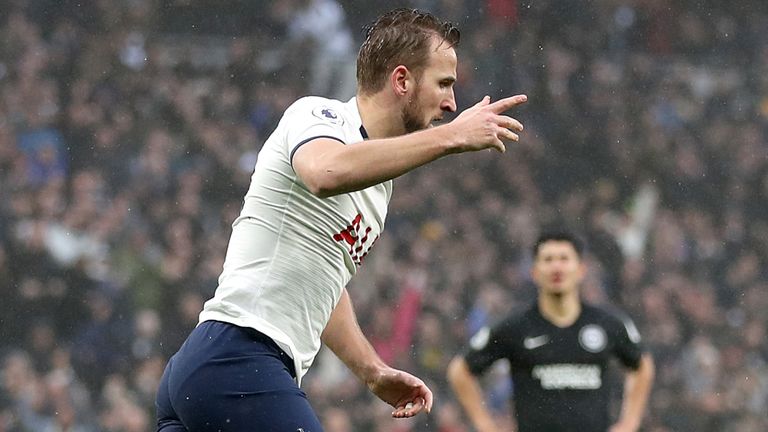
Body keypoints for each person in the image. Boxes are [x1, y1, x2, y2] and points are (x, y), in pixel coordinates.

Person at [155, 7, 528, 432]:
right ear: (402, 80)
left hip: (214, 372)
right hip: (238, 356)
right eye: (443, 83)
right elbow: (323, 172)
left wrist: (371, 370)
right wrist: (452, 136)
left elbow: (325, 281)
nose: (451, 103)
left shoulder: (378, 185)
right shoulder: (319, 116)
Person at [447, 230, 655, 432]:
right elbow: (460, 371)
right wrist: (486, 425)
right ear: (534, 272)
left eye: (564, 259)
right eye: (548, 259)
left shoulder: (607, 323)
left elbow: (642, 365)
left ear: (581, 269)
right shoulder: (515, 326)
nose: (557, 267)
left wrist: (629, 424)